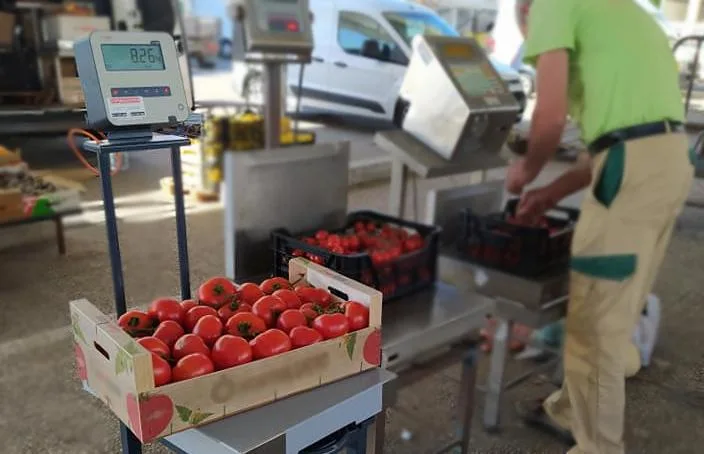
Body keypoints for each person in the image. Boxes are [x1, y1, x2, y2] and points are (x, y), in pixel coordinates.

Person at [505, 1, 695, 453]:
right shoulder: (624, 12)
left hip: (632, 168)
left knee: (594, 320)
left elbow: (548, 118)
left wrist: (526, 172)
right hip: (669, 159)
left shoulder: (548, 6)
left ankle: (598, 447)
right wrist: (550, 193)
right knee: (621, 297)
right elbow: (622, 137)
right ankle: (575, 406)